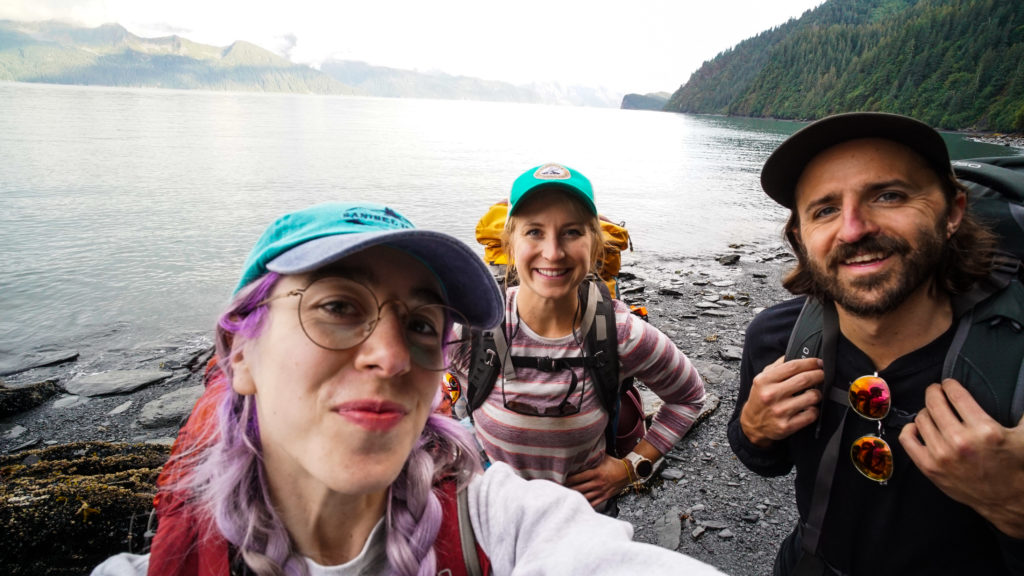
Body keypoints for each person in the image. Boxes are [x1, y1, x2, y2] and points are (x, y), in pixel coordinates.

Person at [92, 202, 722, 576]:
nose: (393, 357)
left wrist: (629, 467)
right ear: (239, 353)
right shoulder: (162, 561)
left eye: (421, 322)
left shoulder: (494, 522)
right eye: (337, 306)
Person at [727, 112, 1024, 575]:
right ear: (800, 239)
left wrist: (1014, 506)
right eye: (824, 210)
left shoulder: (1014, 366)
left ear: (953, 213)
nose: (853, 228)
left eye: (889, 195)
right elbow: (769, 462)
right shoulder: (777, 338)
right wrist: (752, 431)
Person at [450, 163, 707, 509]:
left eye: (571, 232)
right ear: (510, 242)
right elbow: (398, 383)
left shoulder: (619, 335)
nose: (553, 252)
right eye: (534, 232)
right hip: (490, 522)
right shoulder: (473, 327)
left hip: (583, 524)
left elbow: (688, 398)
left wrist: (630, 469)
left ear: (594, 245)